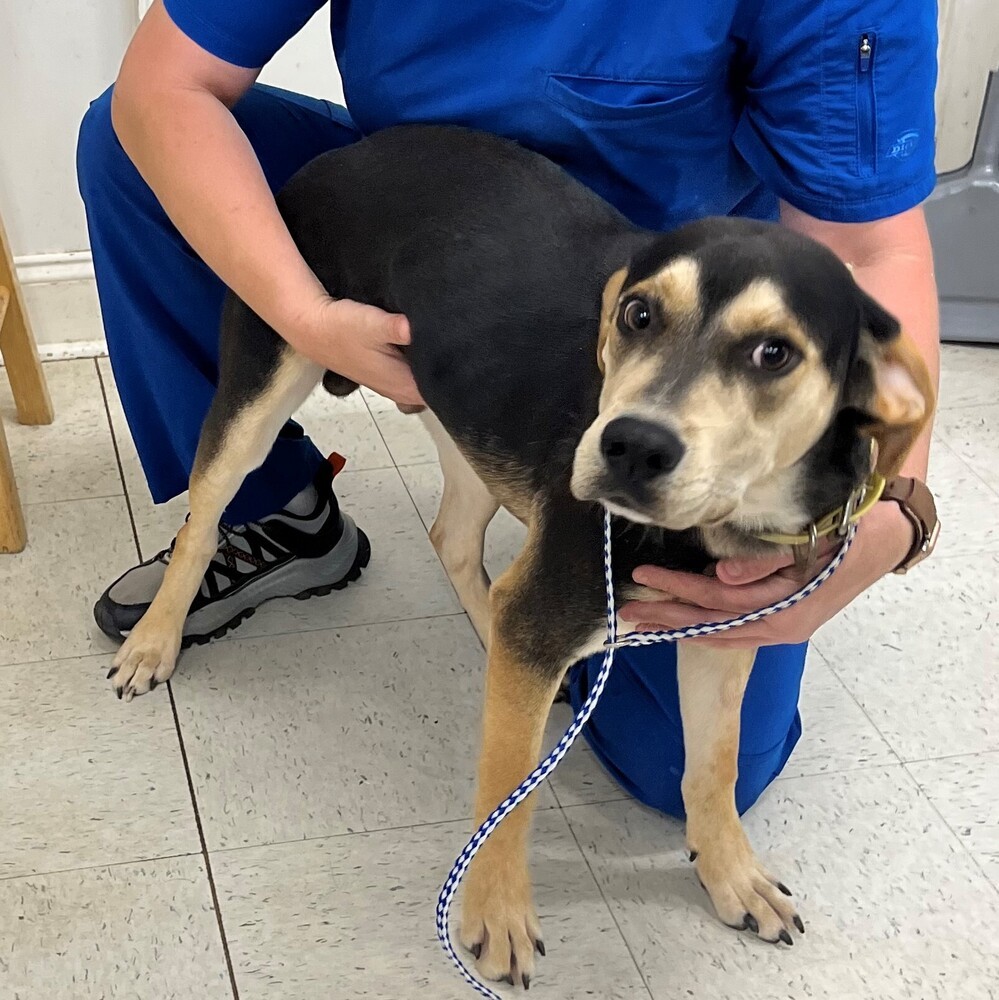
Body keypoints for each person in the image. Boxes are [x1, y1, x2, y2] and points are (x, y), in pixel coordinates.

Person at [77, 0, 940, 818]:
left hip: (668, 295)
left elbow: (868, 248)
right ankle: (270, 515)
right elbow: (167, 86)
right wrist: (305, 317)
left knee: (674, 761)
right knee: (130, 152)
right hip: (430, 201)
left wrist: (893, 511)